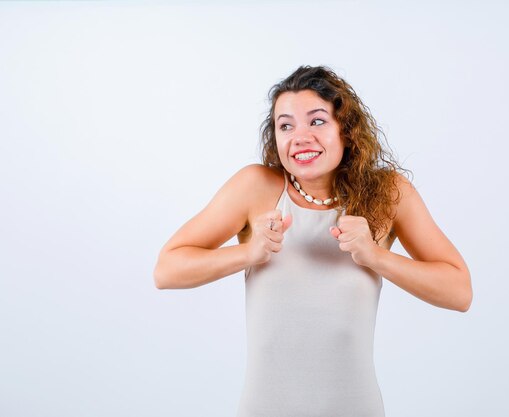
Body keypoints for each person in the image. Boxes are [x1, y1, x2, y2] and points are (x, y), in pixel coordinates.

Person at [153, 65, 472, 417]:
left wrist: (376, 257)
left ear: (346, 130)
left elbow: (459, 292)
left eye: (317, 121)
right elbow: (166, 270)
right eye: (286, 125)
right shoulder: (255, 188)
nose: (300, 137)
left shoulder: (389, 194)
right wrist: (248, 252)